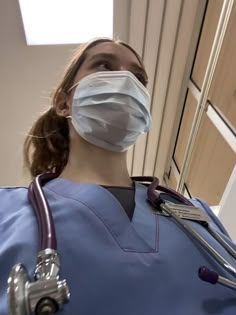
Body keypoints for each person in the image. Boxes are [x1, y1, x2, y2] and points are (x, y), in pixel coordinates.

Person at [0, 37, 236, 315]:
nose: (125, 80)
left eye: (138, 77)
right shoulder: (7, 210)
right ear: (64, 104)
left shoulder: (196, 212)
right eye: (104, 65)